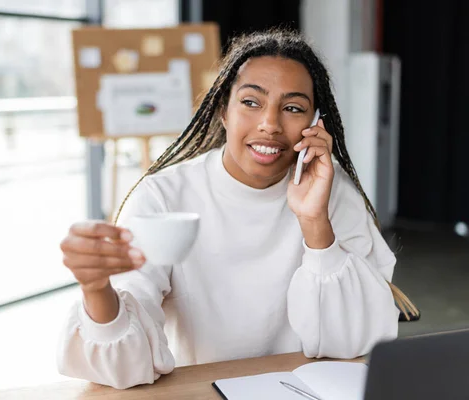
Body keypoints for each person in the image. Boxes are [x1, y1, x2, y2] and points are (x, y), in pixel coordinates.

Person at [57, 28, 400, 389]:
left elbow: (357, 342)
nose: (269, 124)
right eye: (251, 102)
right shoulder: (163, 196)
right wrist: (96, 289)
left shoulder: (333, 192)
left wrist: (316, 223)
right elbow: (126, 367)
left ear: (315, 124)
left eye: (293, 108)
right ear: (223, 109)